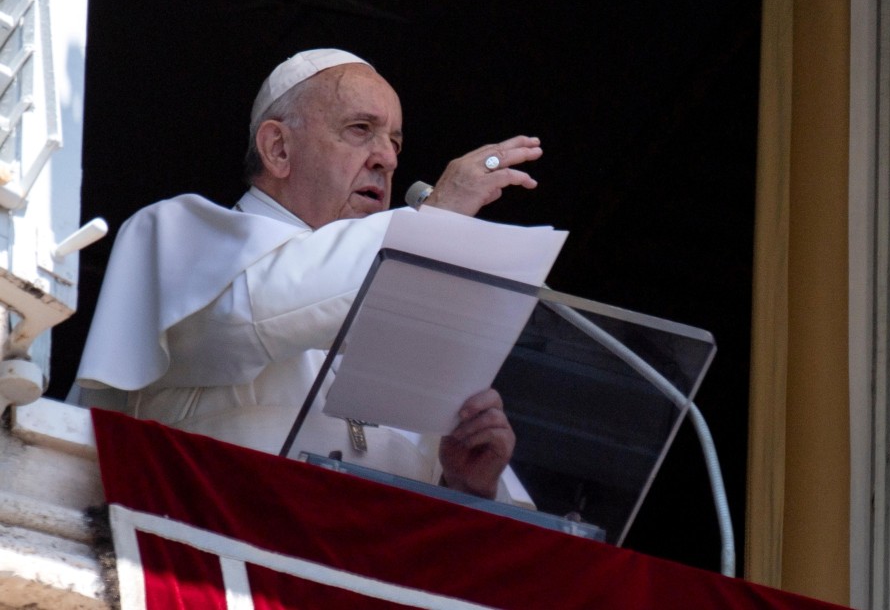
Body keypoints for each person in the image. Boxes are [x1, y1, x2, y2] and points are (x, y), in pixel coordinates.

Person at [71, 48, 544, 504]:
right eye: (361, 130)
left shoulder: (406, 301)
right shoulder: (178, 234)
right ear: (278, 148)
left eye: (395, 142)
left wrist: (465, 486)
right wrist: (434, 218)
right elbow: (268, 307)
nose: (388, 159)